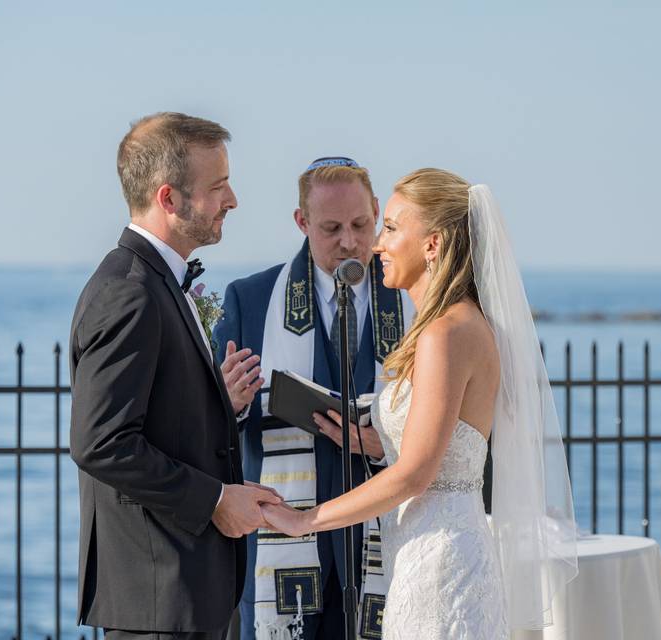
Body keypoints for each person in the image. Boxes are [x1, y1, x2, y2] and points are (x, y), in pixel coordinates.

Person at [262, 168, 579, 638]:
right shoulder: (461, 324)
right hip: (427, 554)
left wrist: (304, 519)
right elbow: (445, 446)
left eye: (389, 227)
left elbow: (416, 473)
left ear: (431, 245)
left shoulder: (445, 334)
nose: (376, 244)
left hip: (439, 566)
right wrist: (375, 443)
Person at [69, 112, 281, 639]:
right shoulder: (130, 292)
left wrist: (218, 404)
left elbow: (157, 416)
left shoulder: (159, 281)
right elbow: (102, 443)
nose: (233, 200)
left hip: (182, 595)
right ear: (168, 198)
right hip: (159, 597)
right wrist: (216, 500)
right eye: (218, 187)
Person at [212, 157, 415, 639]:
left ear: (377, 212)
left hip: (388, 549)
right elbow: (212, 430)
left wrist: (383, 442)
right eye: (331, 228)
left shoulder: (410, 299)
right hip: (281, 545)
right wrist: (229, 404)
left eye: (361, 224)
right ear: (302, 222)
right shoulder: (252, 299)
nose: (350, 241)